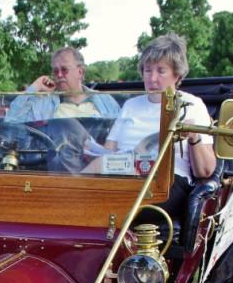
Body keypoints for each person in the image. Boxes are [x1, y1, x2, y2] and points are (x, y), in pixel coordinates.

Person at [88, 33, 216, 215]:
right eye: (148, 70)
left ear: (177, 75)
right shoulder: (130, 105)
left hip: (165, 182)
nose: (152, 78)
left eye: (161, 71)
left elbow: (205, 170)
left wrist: (194, 137)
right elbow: (109, 151)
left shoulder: (192, 105)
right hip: (122, 175)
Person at [6, 46, 120, 122]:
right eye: (55, 71)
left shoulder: (105, 100)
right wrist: (35, 87)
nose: (59, 75)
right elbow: (11, 121)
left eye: (64, 69)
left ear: (80, 72)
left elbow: (121, 133)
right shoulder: (44, 103)